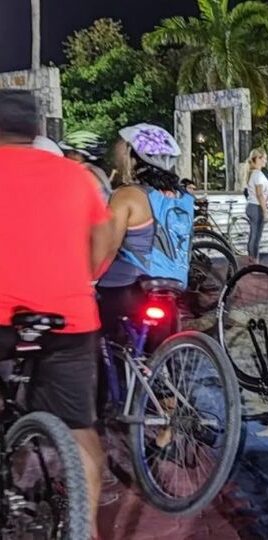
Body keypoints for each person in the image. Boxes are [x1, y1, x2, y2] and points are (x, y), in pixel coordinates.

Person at [0, 89, 112, 536]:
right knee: (82, 431)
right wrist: (74, 281)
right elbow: (102, 247)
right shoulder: (76, 176)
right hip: (68, 320)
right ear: (36, 130)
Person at [97, 123, 193, 351]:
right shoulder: (184, 198)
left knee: (89, 336)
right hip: (171, 287)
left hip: (128, 287)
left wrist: (89, 279)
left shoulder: (127, 195)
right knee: (158, 358)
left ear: (134, 156)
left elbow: (108, 249)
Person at [245, 148, 268, 264]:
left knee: (253, 233)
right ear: (258, 159)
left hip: (252, 205)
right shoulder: (258, 175)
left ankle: (252, 257)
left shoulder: (253, 174)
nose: (266, 160)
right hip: (256, 206)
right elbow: (259, 194)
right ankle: (255, 260)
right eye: (264, 158)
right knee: (256, 235)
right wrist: (265, 211)